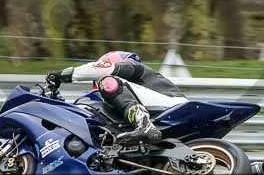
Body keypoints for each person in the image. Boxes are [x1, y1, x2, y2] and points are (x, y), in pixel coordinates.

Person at [46, 51, 187, 145]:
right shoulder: (129, 91)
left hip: (173, 107)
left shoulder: (133, 66)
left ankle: (143, 124)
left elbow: (100, 69)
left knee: (107, 80)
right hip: (163, 116)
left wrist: (60, 75)